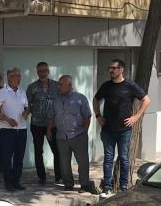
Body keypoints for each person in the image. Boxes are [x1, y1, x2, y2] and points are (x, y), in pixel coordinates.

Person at [94, 58, 151, 196]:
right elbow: (96, 99)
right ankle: (107, 187)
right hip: (108, 129)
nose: (111, 70)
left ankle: (123, 187)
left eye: (113, 68)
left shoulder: (130, 85)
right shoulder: (106, 86)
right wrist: (98, 116)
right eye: (110, 68)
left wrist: (136, 117)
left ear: (121, 69)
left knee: (124, 158)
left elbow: (146, 100)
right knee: (108, 158)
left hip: (124, 130)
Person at [47, 74, 97, 194]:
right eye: (58, 84)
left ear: (69, 85)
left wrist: (84, 132)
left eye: (61, 84)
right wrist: (48, 129)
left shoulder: (80, 98)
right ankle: (68, 184)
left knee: (82, 162)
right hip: (61, 136)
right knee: (64, 163)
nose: (58, 86)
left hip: (78, 135)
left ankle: (84, 185)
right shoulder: (55, 100)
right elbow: (51, 117)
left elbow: (87, 116)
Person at [0, 67, 30, 191]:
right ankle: (8, 182)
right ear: (9, 78)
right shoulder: (2, 92)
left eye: (19, 76)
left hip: (22, 129)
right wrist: (8, 120)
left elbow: (27, 107)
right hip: (7, 130)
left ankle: (16, 181)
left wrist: (26, 113)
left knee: (19, 158)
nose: (19, 78)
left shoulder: (22, 92)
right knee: (7, 157)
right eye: (16, 76)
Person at [26, 62, 62, 185]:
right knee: (38, 151)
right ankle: (42, 177)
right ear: (37, 72)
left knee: (56, 150)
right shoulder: (32, 87)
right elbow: (27, 104)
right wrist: (27, 113)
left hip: (53, 125)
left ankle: (59, 176)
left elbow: (62, 102)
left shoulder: (57, 86)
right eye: (40, 71)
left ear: (48, 71)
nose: (42, 73)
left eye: (44, 70)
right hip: (37, 124)